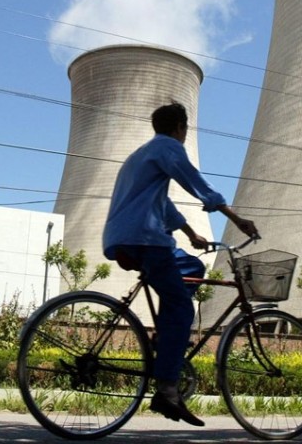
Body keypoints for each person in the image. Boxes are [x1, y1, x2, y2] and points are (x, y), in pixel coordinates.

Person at [103, 102, 258, 427]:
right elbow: (197, 184)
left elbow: (163, 203)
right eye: (185, 130)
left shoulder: (140, 156)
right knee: (183, 308)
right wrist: (238, 219)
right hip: (145, 238)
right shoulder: (168, 147)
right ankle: (168, 389)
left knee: (192, 267)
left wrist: (191, 234)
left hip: (126, 237)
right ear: (179, 128)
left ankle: (167, 338)